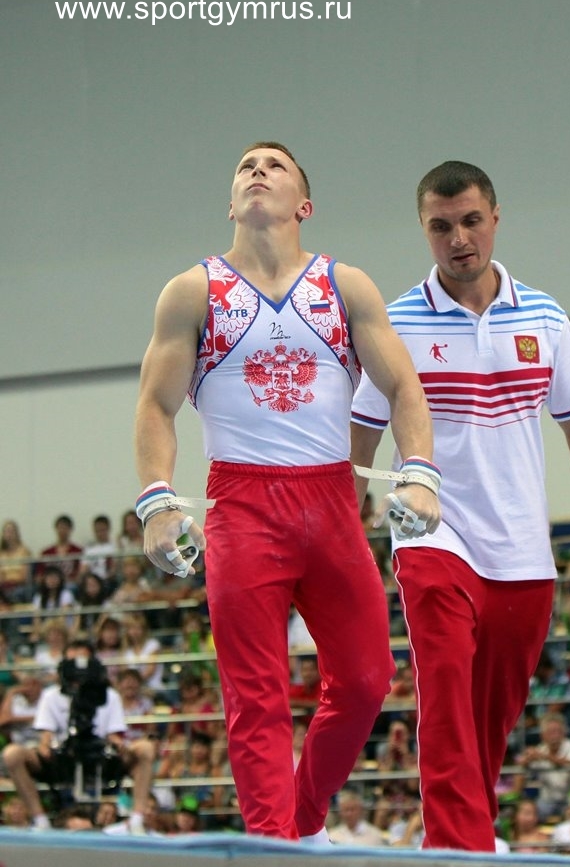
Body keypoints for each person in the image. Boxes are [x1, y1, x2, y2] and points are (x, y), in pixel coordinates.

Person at [133, 140, 439, 842]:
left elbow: (403, 387)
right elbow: (155, 405)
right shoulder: (192, 292)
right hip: (241, 507)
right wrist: (156, 499)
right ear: (230, 204)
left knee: (367, 681)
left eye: (273, 166)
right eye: (245, 167)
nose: (256, 172)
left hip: (331, 504)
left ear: (304, 204)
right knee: (256, 696)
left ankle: (301, 819)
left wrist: (420, 471)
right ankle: (275, 846)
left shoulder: (345, 286)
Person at [350, 159, 570, 851]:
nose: (458, 239)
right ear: (423, 230)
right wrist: (342, 525)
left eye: (471, 221)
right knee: (446, 689)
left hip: (521, 552)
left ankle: (465, 839)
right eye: (441, 226)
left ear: (496, 218)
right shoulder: (396, 322)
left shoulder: (544, 317)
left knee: (487, 723)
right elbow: (360, 431)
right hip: (432, 534)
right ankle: (461, 852)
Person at [0, 637, 156, 833]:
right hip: (62, 756)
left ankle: (137, 819)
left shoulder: (109, 695)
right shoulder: (51, 695)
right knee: (12, 754)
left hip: (101, 755)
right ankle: (40, 820)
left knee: (145, 748)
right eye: (71, 661)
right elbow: (46, 736)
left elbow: (114, 735)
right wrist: (45, 747)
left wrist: (120, 745)